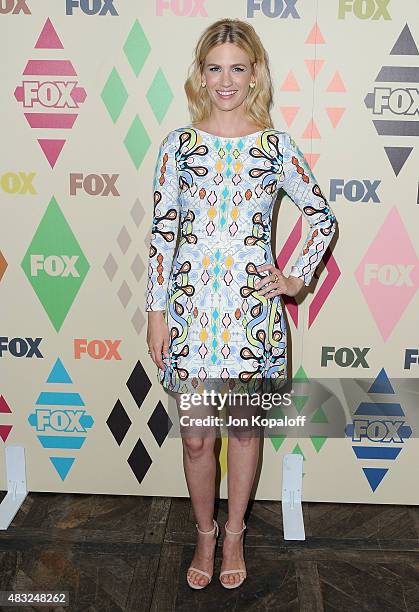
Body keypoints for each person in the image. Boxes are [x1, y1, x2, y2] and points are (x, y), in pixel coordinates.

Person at [145, 18, 337, 589]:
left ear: (255, 75)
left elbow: (322, 218)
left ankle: (234, 533)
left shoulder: (275, 147)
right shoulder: (178, 146)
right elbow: (162, 233)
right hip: (191, 315)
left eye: (237, 67)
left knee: (246, 433)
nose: (225, 79)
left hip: (253, 319)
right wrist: (155, 312)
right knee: (200, 436)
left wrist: (294, 278)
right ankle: (204, 532)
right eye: (214, 67)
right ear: (200, 75)